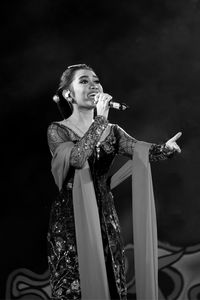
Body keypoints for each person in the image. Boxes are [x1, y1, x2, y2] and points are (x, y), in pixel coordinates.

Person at [47, 63, 182, 300]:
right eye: (84, 81)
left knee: (111, 280)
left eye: (96, 80)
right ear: (69, 94)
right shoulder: (58, 131)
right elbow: (78, 158)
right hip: (71, 219)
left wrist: (166, 149)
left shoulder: (113, 131)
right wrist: (99, 120)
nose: (93, 85)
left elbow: (142, 150)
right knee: (75, 286)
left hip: (105, 217)